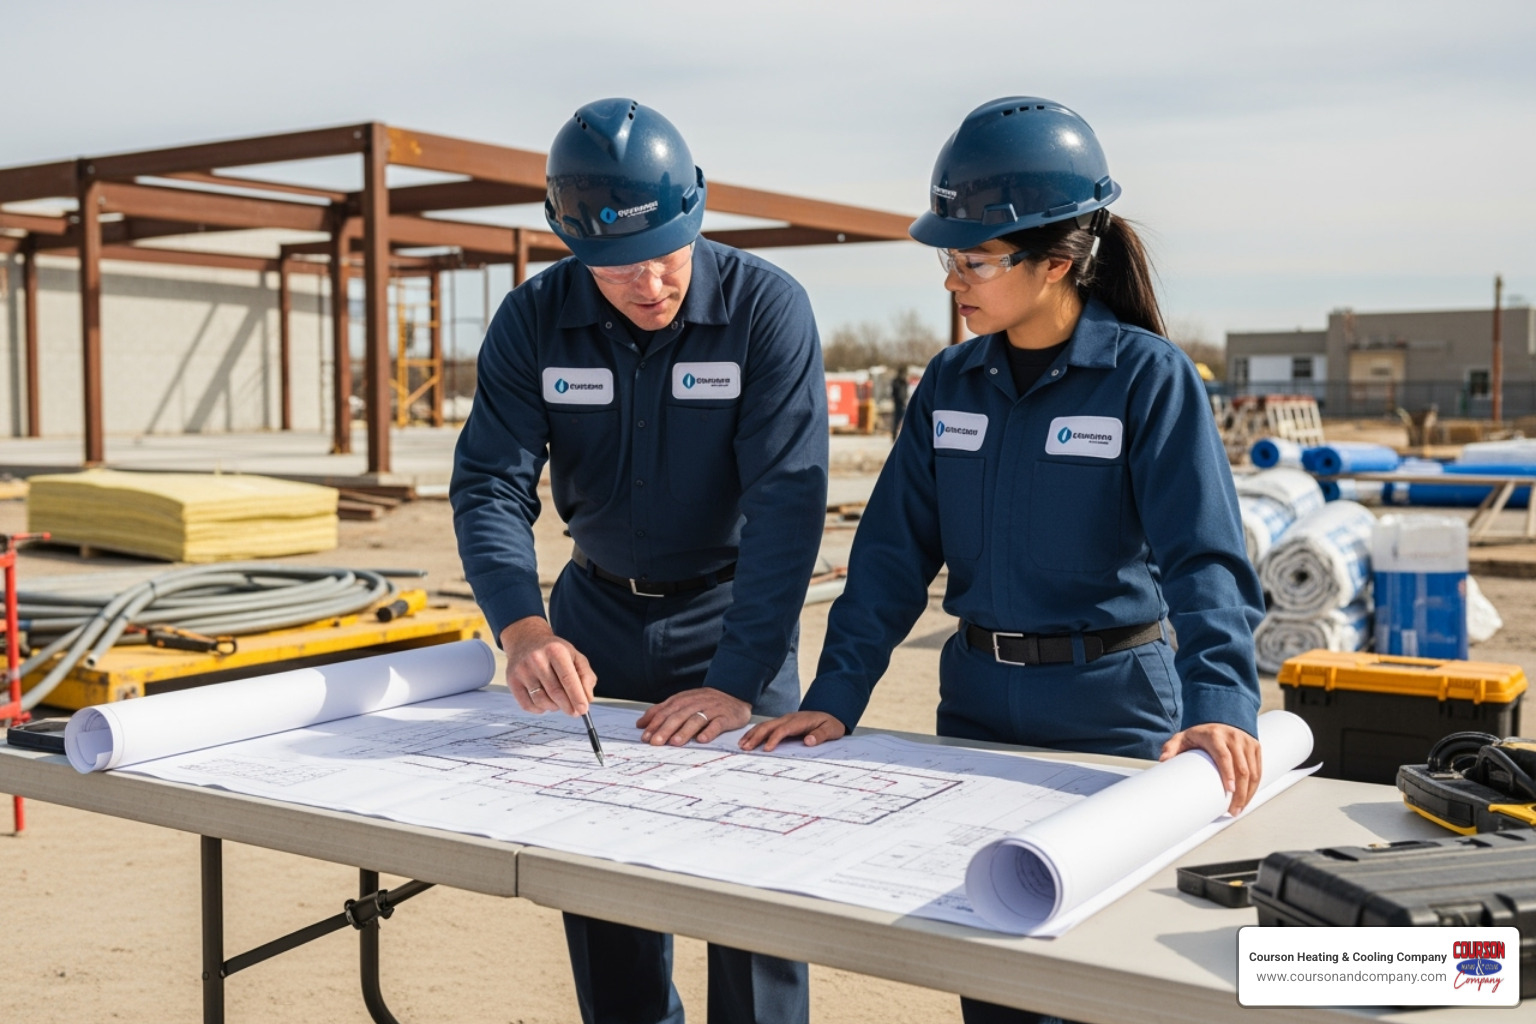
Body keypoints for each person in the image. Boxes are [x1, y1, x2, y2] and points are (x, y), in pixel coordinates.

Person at [740, 96, 1264, 1024]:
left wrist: (1222, 704)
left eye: (975, 259)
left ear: (1057, 261)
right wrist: (834, 699)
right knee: (993, 981)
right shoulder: (949, 383)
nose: (954, 281)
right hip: (977, 712)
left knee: (1100, 979)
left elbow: (1207, 560)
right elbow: (892, 557)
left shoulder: (1147, 379)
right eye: (951, 257)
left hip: (1115, 718)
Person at [451, 97, 826, 1024]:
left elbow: (788, 504)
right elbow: (490, 483)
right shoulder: (533, 323)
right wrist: (523, 624)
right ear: (568, 244)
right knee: (607, 882)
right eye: (617, 268)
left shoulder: (764, 310)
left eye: (666, 252)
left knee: (752, 893)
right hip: (594, 621)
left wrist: (740, 680)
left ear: (698, 210)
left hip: (733, 615)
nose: (650, 284)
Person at [889, 368, 909, 439]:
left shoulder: (904, 382)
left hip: (902, 403)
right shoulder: (897, 382)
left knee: (904, 420)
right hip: (898, 403)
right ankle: (894, 435)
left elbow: (905, 392)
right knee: (897, 420)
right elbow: (895, 392)